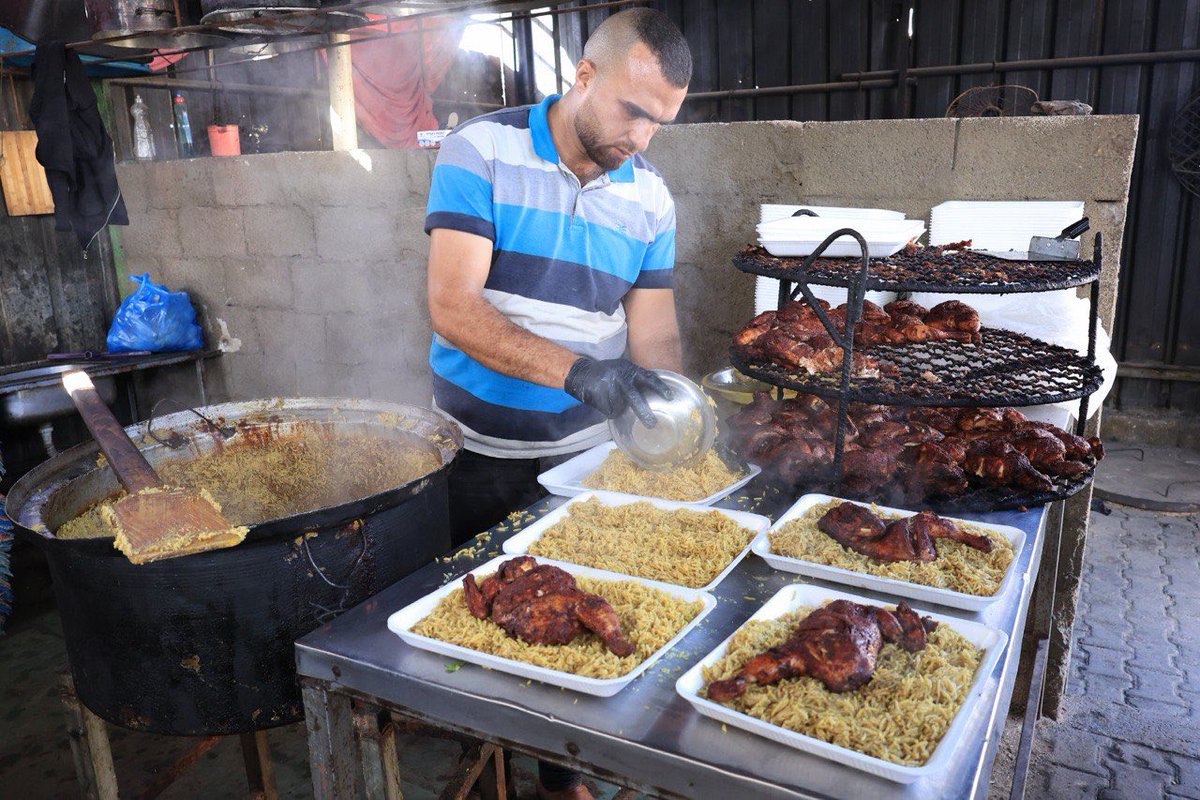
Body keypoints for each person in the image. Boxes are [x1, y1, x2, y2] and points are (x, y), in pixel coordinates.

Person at [424, 8, 691, 800]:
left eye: (661, 123)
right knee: (486, 633)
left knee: (569, 623)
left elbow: (655, 335)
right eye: (633, 111)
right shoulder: (482, 151)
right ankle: (489, 769)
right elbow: (454, 307)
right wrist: (581, 374)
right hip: (476, 452)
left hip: (581, 465)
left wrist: (680, 419)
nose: (641, 138)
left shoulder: (650, 199)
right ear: (584, 75)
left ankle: (562, 777)